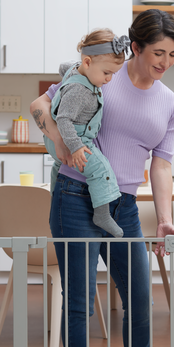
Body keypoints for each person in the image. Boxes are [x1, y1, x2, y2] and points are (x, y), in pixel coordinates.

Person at [30, 9, 174, 347]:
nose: (164, 63)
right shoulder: (103, 76)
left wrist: (165, 218)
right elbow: (41, 103)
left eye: (172, 55)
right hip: (75, 197)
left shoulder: (170, 103)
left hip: (125, 205)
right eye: (158, 52)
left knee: (138, 295)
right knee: (79, 304)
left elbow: (162, 165)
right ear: (134, 47)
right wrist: (58, 141)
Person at [45, 28, 128, 238]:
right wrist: (76, 146)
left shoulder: (76, 68)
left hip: (56, 142)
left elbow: (65, 66)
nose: (109, 79)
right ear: (88, 62)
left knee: (59, 166)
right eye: (107, 73)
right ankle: (102, 214)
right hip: (74, 138)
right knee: (101, 168)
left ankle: (55, 202)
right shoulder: (79, 91)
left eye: (113, 74)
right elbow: (64, 119)